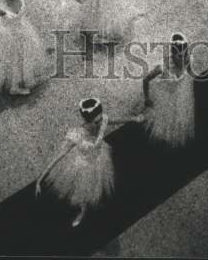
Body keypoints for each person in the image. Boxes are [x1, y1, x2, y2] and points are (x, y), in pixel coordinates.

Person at [36, 97, 139, 227]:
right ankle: (82, 210)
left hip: (99, 158)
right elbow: (59, 156)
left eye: (101, 119)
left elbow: (113, 121)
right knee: (82, 190)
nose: (100, 123)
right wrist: (40, 179)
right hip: (82, 164)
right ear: (86, 120)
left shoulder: (102, 120)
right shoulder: (77, 135)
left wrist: (134, 118)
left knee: (95, 184)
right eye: (96, 122)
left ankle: (85, 208)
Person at [141, 33, 195, 148]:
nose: (183, 58)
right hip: (166, 95)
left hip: (180, 92)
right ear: (172, 54)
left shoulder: (187, 59)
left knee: (180, 116)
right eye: (179, 56)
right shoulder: (163, 67)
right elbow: (146, 80)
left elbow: (190, 73)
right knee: (165, 120)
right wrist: (147, 98)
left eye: (185, 54)